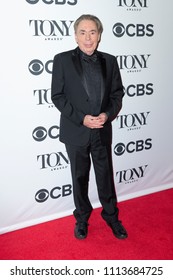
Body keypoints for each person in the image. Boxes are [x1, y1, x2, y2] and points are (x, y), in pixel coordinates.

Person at [51, 14, 128, 240]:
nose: (88, 37)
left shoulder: (110, 61)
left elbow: (117, 94)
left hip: (102, 130)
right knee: (79, 178)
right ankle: (82, 219)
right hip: (76, 131)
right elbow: (58, 96)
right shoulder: (62, 60)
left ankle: (112, 217)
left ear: (99, 35)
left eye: (92, 32)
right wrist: (82, 118)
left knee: (106, 177)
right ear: (75, 36)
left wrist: (107, 115)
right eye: (83, 32)